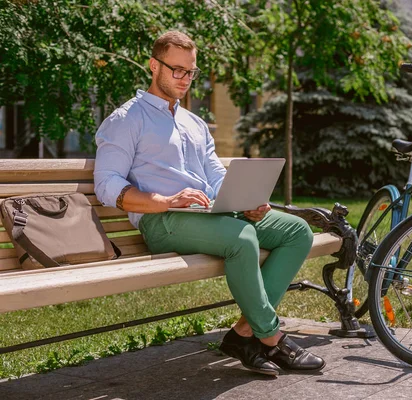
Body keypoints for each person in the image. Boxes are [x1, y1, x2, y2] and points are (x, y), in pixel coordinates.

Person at [94, 31, 325, 376]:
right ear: (153, 66)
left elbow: (216, 174)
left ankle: (243, 333)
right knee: (241, 237)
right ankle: (271, 337)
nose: (185, 79)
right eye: (177, 70)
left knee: (297, 231)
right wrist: (166, 200)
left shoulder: (194, 122)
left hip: (210, 214)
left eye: (191, 72)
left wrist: (248, 199)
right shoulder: (127, 119)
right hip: (163, 220)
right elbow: (106, 184)